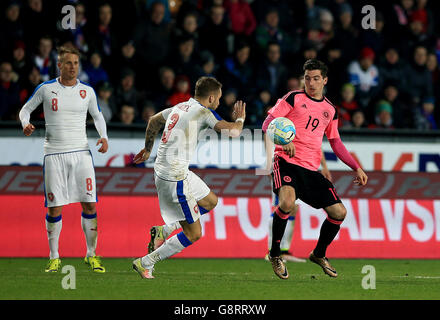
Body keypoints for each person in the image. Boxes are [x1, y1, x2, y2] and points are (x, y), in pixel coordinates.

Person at [261, 59, 368, 279]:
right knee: (287, 203)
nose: (311, 82)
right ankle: (275, 254)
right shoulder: (293, 97)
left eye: (316, 78)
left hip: (311, 169)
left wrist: (355, 167)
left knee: (339, 213)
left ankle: (319, 254)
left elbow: (336, 143)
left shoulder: (330, 109)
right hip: (286, 162)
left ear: (325, 80)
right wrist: (282, 139)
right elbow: (267, 123)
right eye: (307, 78)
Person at [132, 76, 246, 279]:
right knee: (194, 234)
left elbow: (154, 120)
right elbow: (235, 132)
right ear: (211, 98)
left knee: (211, 201)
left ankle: (164, 231)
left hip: (173, 170)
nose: (219, 102)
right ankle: (145, 262)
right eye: (218, 99)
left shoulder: (181, 106)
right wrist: (239, 119)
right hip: (174, 177)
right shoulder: (204, 112)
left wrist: (148, 150)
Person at [18, 46, 108, 273]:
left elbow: (97, 115)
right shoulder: (46, 89)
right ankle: (54, 256)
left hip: (81, 153)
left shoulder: (87, 91)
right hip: (54, 154)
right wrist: (25, 124)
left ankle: (91, 254)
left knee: (89, 203)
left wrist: (104, 137)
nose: (73, 67)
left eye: (76, 63)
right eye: (68, 63)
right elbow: (25, 110)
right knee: (54, 207)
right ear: (59, 65)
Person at [264, 151, 331, 263]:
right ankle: (271, 251)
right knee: (281, 205)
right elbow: (271, 137)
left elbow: (318, 146)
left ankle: (284, 251)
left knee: (293, 208)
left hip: (300, 166)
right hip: (282, 164)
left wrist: (324, 166)